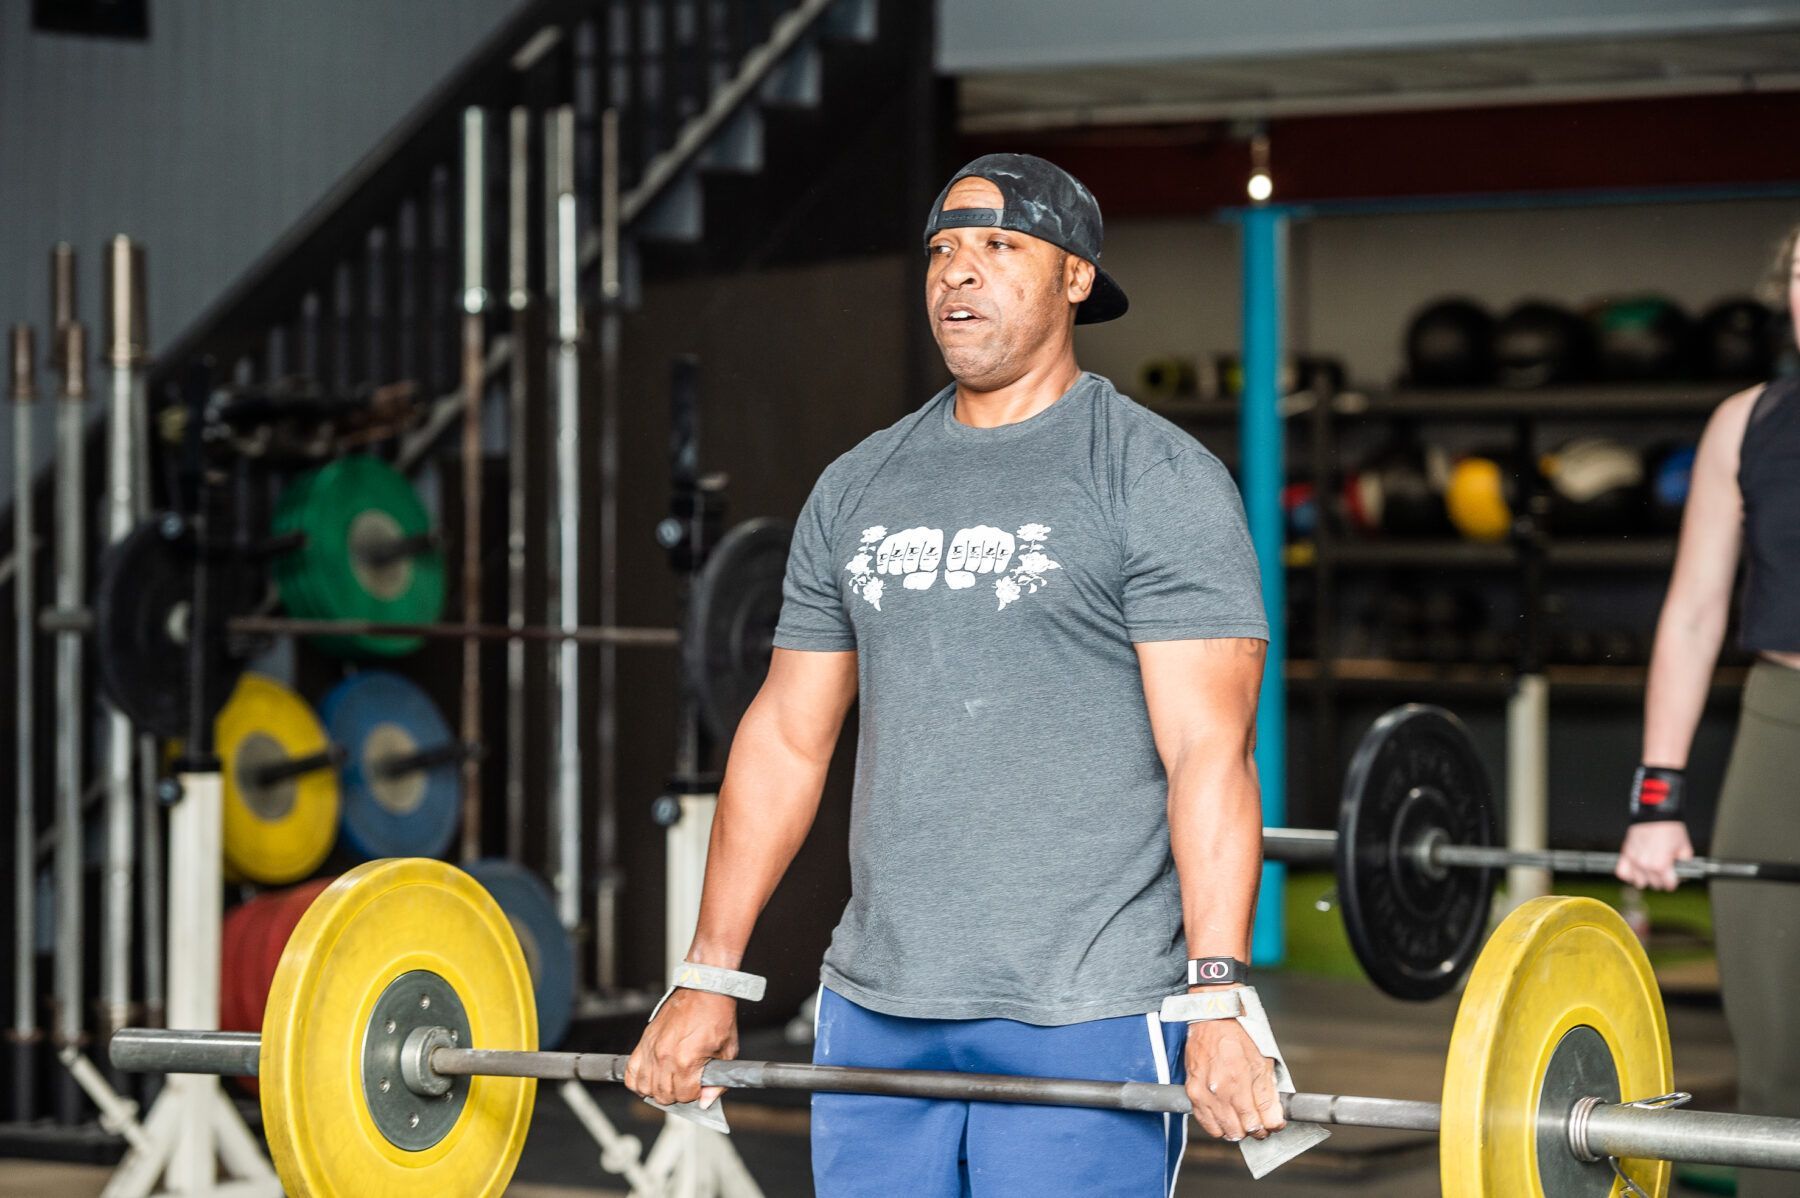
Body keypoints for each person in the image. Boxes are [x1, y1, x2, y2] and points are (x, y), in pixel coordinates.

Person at [624, 153, 1286, 1195]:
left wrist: (1216, 995)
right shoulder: (858, 486)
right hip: (877, 1006)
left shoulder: (1154, 479)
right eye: (942, 250)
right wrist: (711, 971)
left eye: (997, 246)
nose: (957, 274)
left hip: (1087, 1010)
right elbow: (789, 737)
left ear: (1076, 277)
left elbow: (1210, 747)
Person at [1616, 221, 1800, 1198]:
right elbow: (1692, 614)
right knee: (1774, 1058)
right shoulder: (1748, 421)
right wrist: (1658, 795)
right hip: (1782, 721)